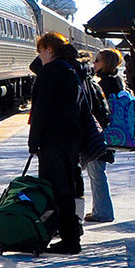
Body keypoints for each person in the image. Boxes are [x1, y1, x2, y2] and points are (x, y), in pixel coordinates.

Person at [28, 32, 88, 253]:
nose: (39, 56)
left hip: (53, 140)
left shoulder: (50, 72)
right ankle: (70, 235)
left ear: (49, 49)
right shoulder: (70, 69)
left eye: (41, 51)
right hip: (71, 138)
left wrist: (33, 142)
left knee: (56, 189)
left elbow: (41, 111)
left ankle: (69, 240)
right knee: (67, 187)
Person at [81, 48, 124, 224]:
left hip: (100, 135)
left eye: (98, 60)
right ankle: (99, 210)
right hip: (109, 134)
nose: (94, 63)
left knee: (97, 173)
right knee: (97, 172)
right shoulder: (116, 81)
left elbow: (101, 111)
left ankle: (103, 212)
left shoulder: (105, 84)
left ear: (106, 63)